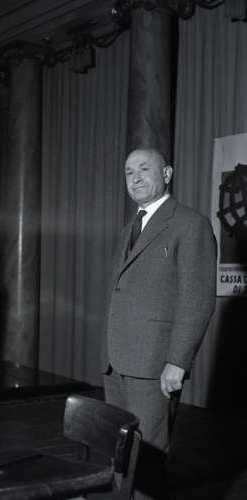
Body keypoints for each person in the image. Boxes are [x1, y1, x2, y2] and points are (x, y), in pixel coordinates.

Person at [101, 148, 216, 499]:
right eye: (128, 172)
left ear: (166, 174)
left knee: (146, 459)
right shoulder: (129, 229)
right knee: (120, 455)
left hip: (154, 366)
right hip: (117, 364)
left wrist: (177, 362)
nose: (134, 178)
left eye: (144, 169)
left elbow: (196, 300)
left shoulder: (189, 224)